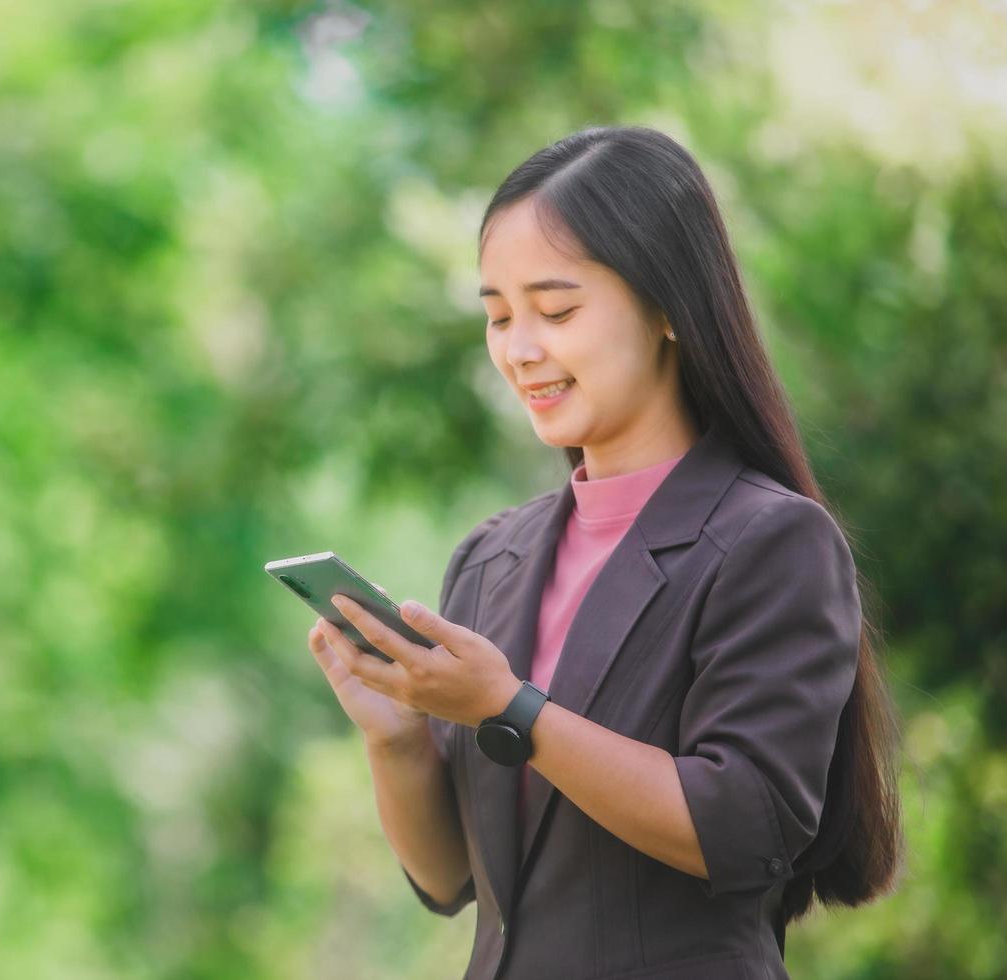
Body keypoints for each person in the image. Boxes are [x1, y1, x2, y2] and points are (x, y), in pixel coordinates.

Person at [305, 125, 902, 980]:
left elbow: (744, 826)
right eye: (499, 316)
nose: (520, 349)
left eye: (556, 311)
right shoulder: (491, 559)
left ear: (668, 308)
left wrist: (511, 709)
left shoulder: (772, 541)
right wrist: (397, 739)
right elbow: (450, 882)